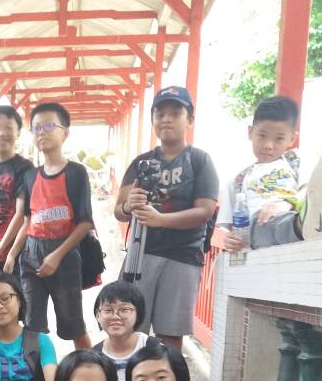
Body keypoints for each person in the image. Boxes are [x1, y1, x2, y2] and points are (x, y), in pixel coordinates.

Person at [114, 85, 219, 351]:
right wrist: (129, 205)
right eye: (159, 114)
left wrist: (160, 220)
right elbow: (119, 211)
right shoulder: (141, 162)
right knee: (128, 327)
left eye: (175, 113)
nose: (166, 119)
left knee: (170, 335)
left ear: (189, 119)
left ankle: (167, 378)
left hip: (183, 256)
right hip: (141, 253)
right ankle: (128, 377)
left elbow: (205, 211)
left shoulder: (200, 160)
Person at [5, 102, 93, 351]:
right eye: (36, 128)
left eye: (49, 126)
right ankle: (37, 371)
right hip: (31, 255)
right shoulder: (30, 176)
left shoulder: (76, 173)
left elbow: (85, 222)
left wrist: (57, 255)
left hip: (64, 255)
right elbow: (28, 221)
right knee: (32, 325)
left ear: (65, 132)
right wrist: (12, 254)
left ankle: (89, 368)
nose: (41, 132)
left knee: (74, 324)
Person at [218, 95, 303, 252]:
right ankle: (299, 226)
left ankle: (299, 225)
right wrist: (229, 240)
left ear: (292, 138)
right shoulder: (238, 181)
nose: (268, 145)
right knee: (261, 223)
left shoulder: (298, 164)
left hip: (293, 238)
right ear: (250, 132)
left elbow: (312, 192)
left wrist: (286, 203)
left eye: (279, 138)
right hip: (256, 238)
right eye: (262, 135)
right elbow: (228, 229)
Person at [90, 280, 156, 381]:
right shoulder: (94, 356)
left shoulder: (152, 348)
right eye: (108, 310)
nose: (115, 316)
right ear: (98, 316)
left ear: (138, 314)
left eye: (124, 310)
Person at [0, 105, 33, 272]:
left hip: (15, 255)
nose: (1, 133)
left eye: (8, 128)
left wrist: (0, 253)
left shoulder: (25, 168)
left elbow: (22, 215)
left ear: (18, 133)